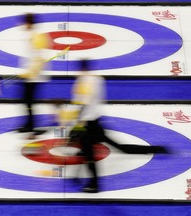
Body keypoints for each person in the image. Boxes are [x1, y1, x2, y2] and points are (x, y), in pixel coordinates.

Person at [69, 59, 168, 193]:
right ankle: (156, 149)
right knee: (119, 147)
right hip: (96, 121)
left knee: (89, 154)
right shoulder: (97, 80)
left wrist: (75, 125)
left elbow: (82, 106)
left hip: (88, 125)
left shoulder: (83, 83)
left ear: (80, 69)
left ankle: (94, 184)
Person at [17, 13, 51, 135]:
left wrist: (31, 72)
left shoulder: (36, 36)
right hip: (30, 75)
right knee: (27, 100)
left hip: (33, 76)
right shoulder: (33, 35)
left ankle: (31, 125)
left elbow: (39, 57)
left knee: (29, 101)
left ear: (29, 23)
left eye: (24, 22)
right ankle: (29, 123)